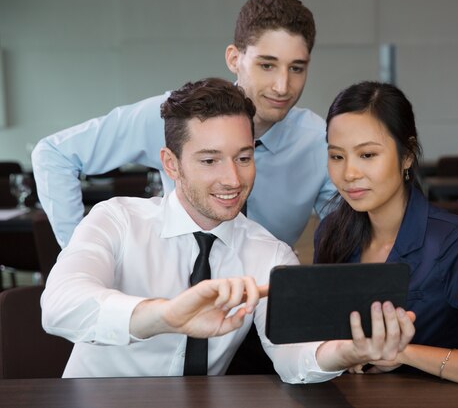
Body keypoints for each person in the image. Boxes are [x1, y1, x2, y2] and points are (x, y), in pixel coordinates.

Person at [31, 0, 458, 325]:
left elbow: (360, 219)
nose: (283, 86)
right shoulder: (176, 114)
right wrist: (85, 262)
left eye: (298, 68)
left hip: (263, 315)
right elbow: (52, 153)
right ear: (236, 59)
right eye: (268, 65)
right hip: (163, 316)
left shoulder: (315, 139)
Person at [41, 77, 414, 380]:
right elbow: (59, 306)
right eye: (209, 160)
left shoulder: (269, 253)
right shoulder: (117, 220)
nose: (232, 179)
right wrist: (168, 315)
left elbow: (293, 357)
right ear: (171, 165)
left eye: (243, 157)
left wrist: (347, 351)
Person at [314, 81, 458, 393]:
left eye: (368, 154)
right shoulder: (331, 232)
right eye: (337, 156)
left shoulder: (453, 242)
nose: (349, 174)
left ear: (407, 155)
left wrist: (401, 353)